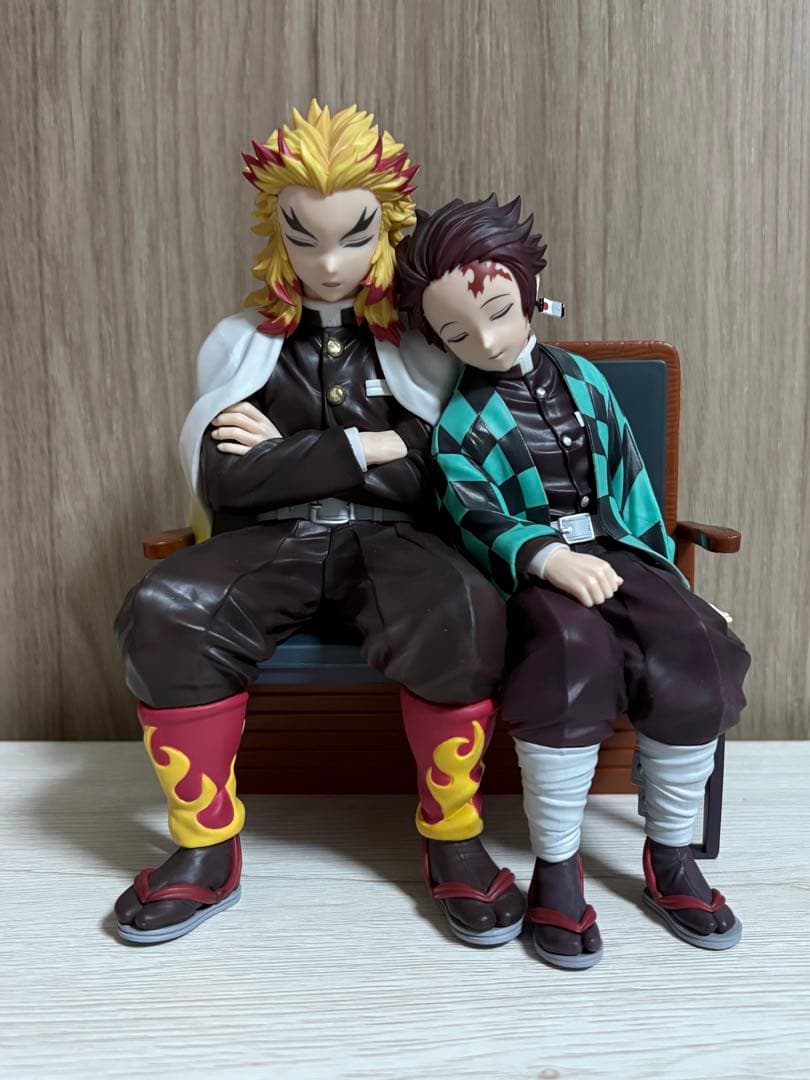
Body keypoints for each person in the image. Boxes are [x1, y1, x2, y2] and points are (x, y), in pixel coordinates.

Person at [112, 103, 525, 946]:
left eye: (352, 237)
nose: (328, 264)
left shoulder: (424, 342)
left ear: (388, 231)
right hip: (267, 542)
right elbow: (227, 476)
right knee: (165, 609)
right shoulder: (241, 346)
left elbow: (435, 470)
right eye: (305, 239)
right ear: (277, 235)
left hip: (395, 541)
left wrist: (293, 452)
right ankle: (205, 844)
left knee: (463, 608)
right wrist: (368, 446)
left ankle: (453, 833)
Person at [396, 194, 752, 969]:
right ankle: (557, 865)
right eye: (458, 334)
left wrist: (674, 584)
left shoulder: (587, 382)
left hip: (619, 550)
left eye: (499, 311)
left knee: (697, 646)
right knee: (568, 656)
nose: (488, 340)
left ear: (530, 292)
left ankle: (671, 854)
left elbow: (633, 487)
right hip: (533, 575)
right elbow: (471, 512)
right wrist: (543, 556)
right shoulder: (460, 426)